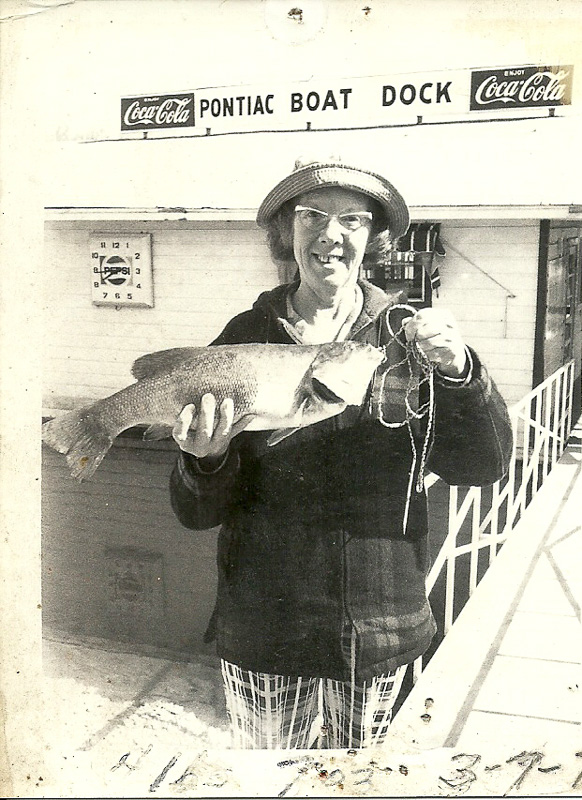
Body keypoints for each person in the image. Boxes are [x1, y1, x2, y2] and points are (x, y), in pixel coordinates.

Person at [169, 157, 513, 750]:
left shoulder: (408, 333)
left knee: (368, 785)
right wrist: (205, 459)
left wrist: (461, 371)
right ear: (287, 233)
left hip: (382, 634)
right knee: (268, 783)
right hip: (266, 632)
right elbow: (196, 512)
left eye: (352, 219)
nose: (331, 235)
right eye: (312, 217)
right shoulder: (242, 336)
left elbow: (481, 465)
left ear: (373, 238)